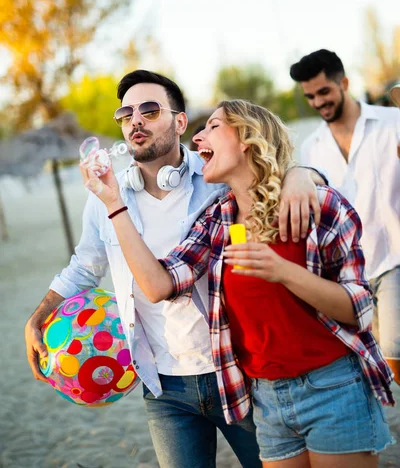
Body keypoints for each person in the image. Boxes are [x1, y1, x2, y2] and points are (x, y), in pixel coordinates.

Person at [25, 70, 324, 468]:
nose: (136, 120)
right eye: (126, 113)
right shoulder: (104, 197)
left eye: (149, 110)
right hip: (162, 386)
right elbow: (85, 264)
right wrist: (38, 316)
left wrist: (303, 175)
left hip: (237, 369)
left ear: (180, 122)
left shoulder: (217, 178)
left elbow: (273, 170)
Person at [82, 99, 395, 467]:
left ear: (247, 137)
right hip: (266, 401)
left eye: (212, 126)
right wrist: (114, 203)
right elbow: (158, 285)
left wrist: (284, 272)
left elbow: (359, 309)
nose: (197, 137)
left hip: (333, 388)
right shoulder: (218, 220)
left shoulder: (321, 205)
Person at [290, 49, 400, 385]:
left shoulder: (391, 122)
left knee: (395, 357)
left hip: (394, 260)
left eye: (324, 92)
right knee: (375, 367)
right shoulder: (311, 148)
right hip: (351, 274)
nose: (318, 102)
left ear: (345, 83)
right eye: (310, 96)